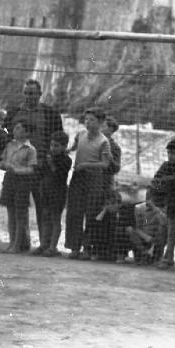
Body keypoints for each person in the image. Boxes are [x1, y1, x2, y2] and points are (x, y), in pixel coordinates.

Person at [4, 79, 63, 252]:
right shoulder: (14, 112)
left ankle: (44, 244)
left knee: (42, 207)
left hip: (40, 167)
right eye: (26, 93)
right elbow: (6, 137)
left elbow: (58, 138)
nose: (30, 96)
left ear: (40, 94)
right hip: (16, 169)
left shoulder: (50, 114)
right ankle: (20, 242)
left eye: (33, 93)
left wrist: (50, 160)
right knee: (16, 206)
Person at [64, 107, 112, 260]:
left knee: (91, 213)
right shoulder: (81, 135)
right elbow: (73, 148)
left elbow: (105, 164)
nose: (88, 123)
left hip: (94, 179)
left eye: (92, 120)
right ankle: (74, 247)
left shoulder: (104, 141)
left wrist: (86, 165)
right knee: (74, 212)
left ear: (101, 122)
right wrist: (65, 151)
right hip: (78, 177)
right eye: (86, 120)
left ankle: (87, 247)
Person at [0, 120, 37, 253]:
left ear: (26, 132)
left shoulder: (31, 149)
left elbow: (31, 169)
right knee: (10, 212)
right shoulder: (10, 145)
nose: (15, 130)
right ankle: (11, 242)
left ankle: (18, 244)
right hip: (9, 180)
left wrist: (17, 169)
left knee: (20, 214)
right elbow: (3, 162)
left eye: (18, 128)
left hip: (22, 182)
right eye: (15, 128)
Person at [149, 138, 175, 268]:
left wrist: (169, 181)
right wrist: (173, 179)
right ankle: (165, 257)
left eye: (174, 153)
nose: (170, 156)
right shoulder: (166, 166)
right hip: (169, 202)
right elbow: (156, 183)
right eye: (169, 153)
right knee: (167, 231)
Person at [33, 130, 71, 257]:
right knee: (45, 217)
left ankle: (53, 246)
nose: (53, 148)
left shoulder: (66, 160)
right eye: (52, 145)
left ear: (64, 146)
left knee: (55, 219)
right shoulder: (48, 157)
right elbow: (42, 173)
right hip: (46, 191)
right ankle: (44, 244)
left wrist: (51, 164)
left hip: (58, 192)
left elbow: (59, 174)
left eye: (56, 146)